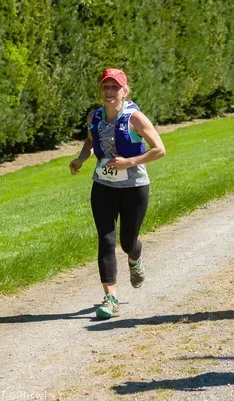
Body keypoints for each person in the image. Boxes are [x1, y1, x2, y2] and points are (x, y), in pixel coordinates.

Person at [69, 68, 166, 319]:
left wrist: (129, 162)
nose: (110, 91)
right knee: (106, 240)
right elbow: (91, 141)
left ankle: (135, 259)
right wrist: (80, 159)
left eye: (115, 87)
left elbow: (159, 150)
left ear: (125, 91)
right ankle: (111, 298)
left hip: (134, 187)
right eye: (106, 87)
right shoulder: (95, 116)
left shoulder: (135, 118)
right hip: (103, 185)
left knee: (127, 243)